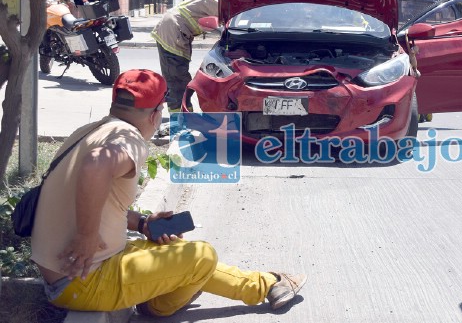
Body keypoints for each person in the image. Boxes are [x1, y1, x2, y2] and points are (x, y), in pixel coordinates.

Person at [31, 69, 307, 316]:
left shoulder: (89, 131)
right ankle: (159, 305)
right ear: (155, 114)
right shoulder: (130, 138)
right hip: (84, 282)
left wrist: (142, 223)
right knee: (203, 255)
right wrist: (87, 236)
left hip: (69, 275)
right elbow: (95, 166)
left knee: (176, 249)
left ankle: (268, 285)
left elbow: (95, 192)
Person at [151, 0, 220, 113]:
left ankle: (182, 116)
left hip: (171, 29)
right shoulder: (216, 3)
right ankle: (179, 122)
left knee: (176, 80)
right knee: (178, 81)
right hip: (173, 32)